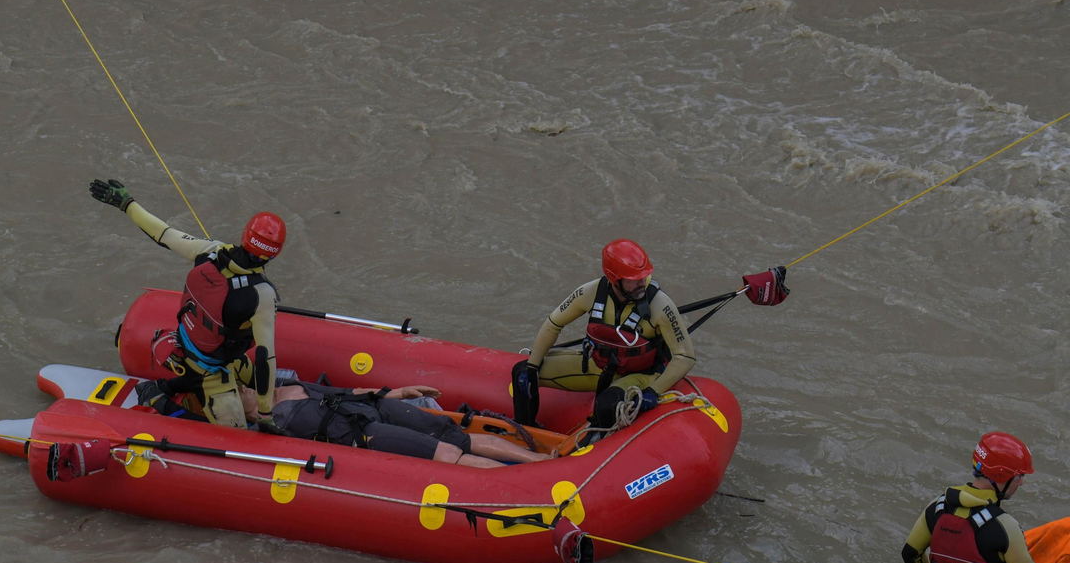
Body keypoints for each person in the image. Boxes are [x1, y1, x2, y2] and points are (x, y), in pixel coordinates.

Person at [90, 178, 282, 430]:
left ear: (246, 236)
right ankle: (158, 400)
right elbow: (266, 357)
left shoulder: (211, 250)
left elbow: (164, 234)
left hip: (189, 349)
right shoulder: (262, 294)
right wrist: (265, 415)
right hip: (212, 373)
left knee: (270, 384)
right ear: (274, 254)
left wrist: (127, 204)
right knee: (238, 436)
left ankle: (169, 385)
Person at [513, 238, 695, 432]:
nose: (641, 282)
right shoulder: (590, 293)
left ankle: (601, 444)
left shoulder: (660, 305)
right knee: (521, 372)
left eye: (644, 276)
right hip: (599, 366)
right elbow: (553, 324)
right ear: (614, 278)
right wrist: (532, 367)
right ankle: (525, 433)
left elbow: (685, 356)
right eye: (633, 279)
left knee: (608, 405)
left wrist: (653, 391)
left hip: (642, 375)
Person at [902, 432, 1066, 563]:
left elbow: (911, 553)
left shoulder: (937, 507)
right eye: (1018, 476)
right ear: (1001, 476)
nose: (1022, 483)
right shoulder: (1005, 525)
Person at [258, 380, 552, 468]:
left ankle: (538, 461)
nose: (245, 390)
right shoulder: (272, 419)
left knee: (456, 436)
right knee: (449, 453)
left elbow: (346, 392)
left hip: (372, 408)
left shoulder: (290, 385)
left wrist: (398, 392)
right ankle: (519, 481)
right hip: (364, 433)